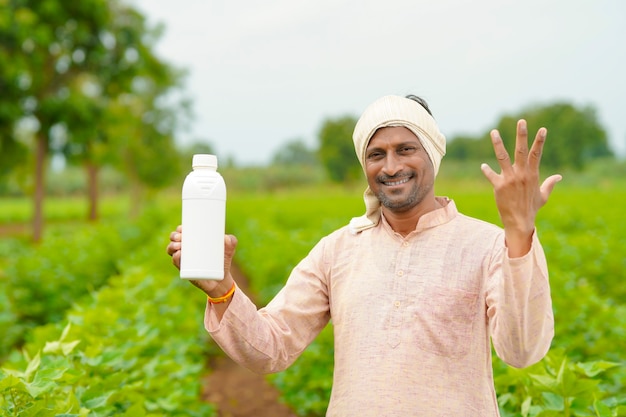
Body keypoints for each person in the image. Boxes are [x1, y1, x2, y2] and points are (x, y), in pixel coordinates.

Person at [167, 94, 561, 416]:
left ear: (432, 156)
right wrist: (221, 288)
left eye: (406, 149)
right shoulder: (338, 250)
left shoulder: (491, 245)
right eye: (377, 154)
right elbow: (271, 348)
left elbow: (522, 350)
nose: (391, 166)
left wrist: (519, 231)